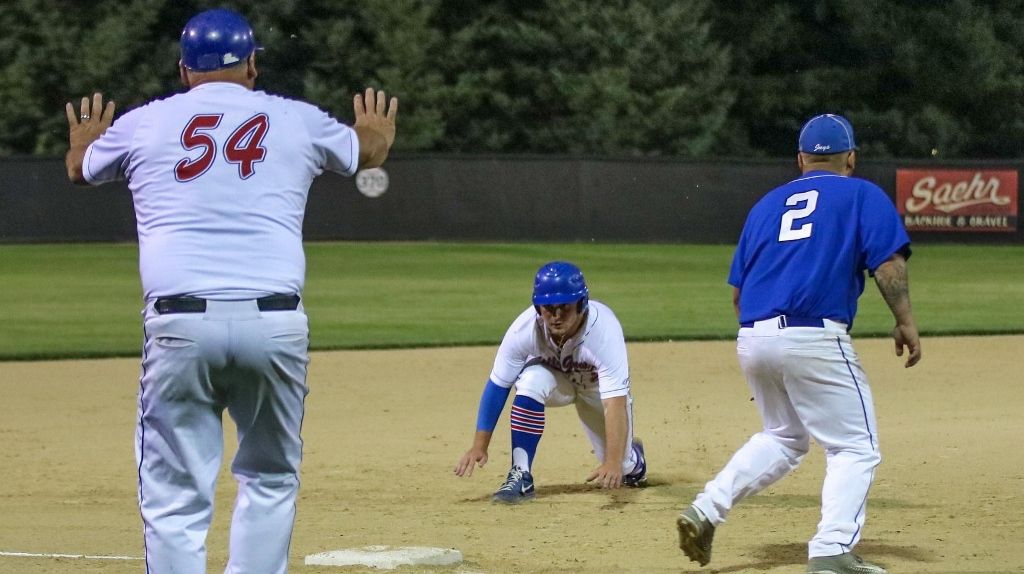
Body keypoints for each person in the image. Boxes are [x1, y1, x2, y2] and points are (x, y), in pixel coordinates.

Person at [63, 9, 396, 573]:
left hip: (179, 327)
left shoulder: (146, 122)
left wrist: (84, 142)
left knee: (173, 494)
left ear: (183, 70)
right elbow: (364, 154)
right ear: (251, 64)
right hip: (275, 324)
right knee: (269, 479)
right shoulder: (295, 118)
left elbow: (81, 169)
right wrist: (374, 134)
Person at [675, 114, 921, 574]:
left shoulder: (766, 205)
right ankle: (831, 550)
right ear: (851, 158)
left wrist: (766, 339)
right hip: (813, 333)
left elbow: (737, 294)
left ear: (801, 159)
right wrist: (905, 321)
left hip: (753, 334)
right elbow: (888, 266)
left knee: (784, 437)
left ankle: (706, 509)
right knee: (854, 447)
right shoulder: (862, 193)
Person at [454, 261, 647, 503]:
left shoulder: (603, 332)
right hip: (555, 380)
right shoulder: (524, 329)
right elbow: (498, 384)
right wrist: (479, 446)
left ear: (581, 304)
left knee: (623, 466)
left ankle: (635, 461)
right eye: (548, 308)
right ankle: (521, 474)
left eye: (564, 307)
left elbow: (614, 403)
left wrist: (612, 461)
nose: (555, 316)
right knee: (530, 381)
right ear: (538, 307)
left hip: (596, 389)